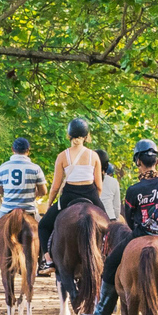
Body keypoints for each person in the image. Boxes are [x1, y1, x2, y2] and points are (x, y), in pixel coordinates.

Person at [81, 139, 158, 315]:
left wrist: (142, 227)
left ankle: (101, 314)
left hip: (139, 236)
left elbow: (129, 218)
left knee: (111, 264)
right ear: (157, 160)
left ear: (138, 161)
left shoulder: (134, 190)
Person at [37, 118, 106, 275]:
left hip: (68, 196)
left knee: (43, 226)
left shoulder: (62, 156)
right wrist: (95, 202)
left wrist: (49, 204)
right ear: (86, 135)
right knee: (109, 227)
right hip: (91, 194)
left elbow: (55, 186)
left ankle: (48, 261)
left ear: (69, 135)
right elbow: (99, 186)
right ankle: (106, 257)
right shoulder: (93, 156)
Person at [0, 137, 47, 273]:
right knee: (44, 230)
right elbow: (43, 191)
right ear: (28, 151)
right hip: (29, 210)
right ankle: (43, 261)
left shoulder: (3, 167)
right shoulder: (35, 168)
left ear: (13, 150)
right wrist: (32, 194)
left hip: (7, 210)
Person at [96, 149, 121, 221]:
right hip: (110, 217)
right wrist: (116, 218)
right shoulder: (113, 182)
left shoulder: (88, 181)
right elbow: (116, 207)